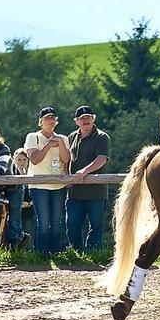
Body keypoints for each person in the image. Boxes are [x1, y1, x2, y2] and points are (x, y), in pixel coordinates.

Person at [25, 107, 70, 255]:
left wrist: (61, 144)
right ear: (40, 122)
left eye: (53, 118)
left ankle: (56, 253)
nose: (51, 121)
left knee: (57, 222)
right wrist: (49, 145)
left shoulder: (63, 138)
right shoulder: (33, 137)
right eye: (47, 118)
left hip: (58, 186)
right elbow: (35, 159)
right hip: (39, 186)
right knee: (43, 222)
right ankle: (41, 254)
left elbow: (65, 160)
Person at [67, 106, 111, 251]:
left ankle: (93, 255)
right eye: (82, 118)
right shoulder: (72, 137)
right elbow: (67, 160)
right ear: (76, 121)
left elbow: (102, 159)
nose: (86, 120)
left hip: (96, 192)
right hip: (74, 192)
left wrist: (84, 171)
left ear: (93, 119)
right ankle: (76, 254)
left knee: (96, 226)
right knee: (72, 224)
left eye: (88, 117)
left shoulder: (102, 137)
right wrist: (66, 176)